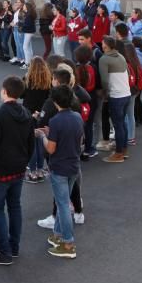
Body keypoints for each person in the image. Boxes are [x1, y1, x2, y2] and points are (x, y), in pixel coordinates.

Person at [0, 76, 34, 266]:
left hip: (1, 171)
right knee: (15, 206)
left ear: (5, 91)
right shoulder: (26, 113)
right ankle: (14, 246)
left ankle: (4, 251)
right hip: (18, 169)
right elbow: (31, 143)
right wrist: (24, 161)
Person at [39, 85, 83, 259]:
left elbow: (51, 148)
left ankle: (68, 243)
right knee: (62, 201)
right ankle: (58, 234)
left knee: (63, 205)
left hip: (59, 168)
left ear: (55, 101)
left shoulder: (55, 121)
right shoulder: (77, 117)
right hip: (73, 166)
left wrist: (43, 136)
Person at [99, 37, 129, 163]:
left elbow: (105, 81)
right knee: (122, 123)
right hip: (126, 93)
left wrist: (104, 94)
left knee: (118, 125)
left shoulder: (104, 59)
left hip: (116, 95)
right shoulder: (121, 56)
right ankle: (123, 149)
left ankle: (118, 154)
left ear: (105, 46)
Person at [22, 58, 52, 183]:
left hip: (29, 114)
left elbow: (21, 95)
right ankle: (40, 169)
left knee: (31, 143)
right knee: (40, 141)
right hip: (42, 114)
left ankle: (33, 172)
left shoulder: (27, 80)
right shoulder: (48, 80)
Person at [18, 0, 37, 67]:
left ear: (27, 7)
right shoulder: (28, 14)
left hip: (29, 32)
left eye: (24, 6)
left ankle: (27, 63)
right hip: (29, 31)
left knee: (25, 47)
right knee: (28, 47)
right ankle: (30, 61)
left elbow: (27, 25)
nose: (23, 7)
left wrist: (21, 25)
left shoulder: (29, 15)